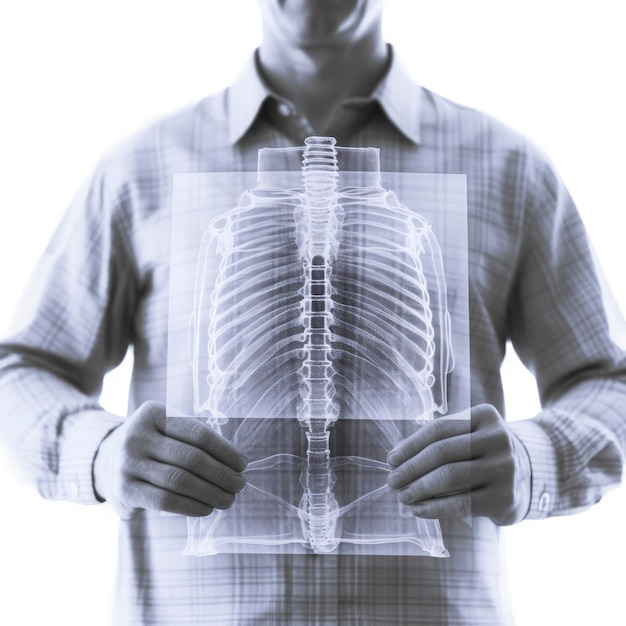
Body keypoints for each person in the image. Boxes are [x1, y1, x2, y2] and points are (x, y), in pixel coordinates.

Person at [1, 0, 625, 623]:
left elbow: (608, 385)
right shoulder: (140, 169)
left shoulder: (508, 168)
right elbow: (21, 373)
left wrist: (532, 459)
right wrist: (102, 453)